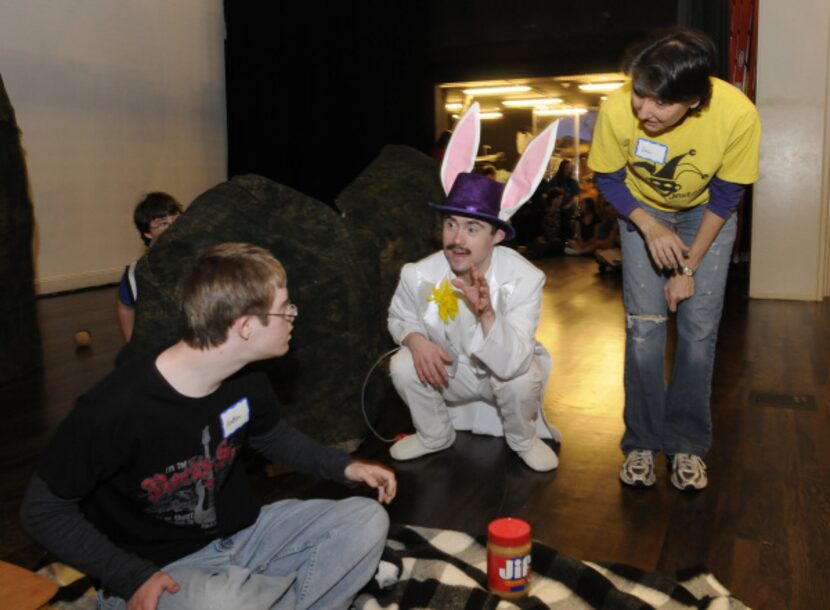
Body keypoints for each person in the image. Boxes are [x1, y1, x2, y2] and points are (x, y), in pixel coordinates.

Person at [21, 243, 397, 610]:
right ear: (246, 327)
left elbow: (273, 435)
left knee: (365, 520)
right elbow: (41, 510)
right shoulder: (113, 409)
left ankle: (268, 592)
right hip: (160, 567)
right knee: (222, 601)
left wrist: (343, 466)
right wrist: (129, 576)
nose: (294, 317)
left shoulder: (248, 379)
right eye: (285, 308)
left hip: (242, 537)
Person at [587, 27, 761, 491]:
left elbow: (726, 196)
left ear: (694, 102)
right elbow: (606, 177)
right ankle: (642, 442)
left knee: (698, 331)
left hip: (707, 216)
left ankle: (686, 444)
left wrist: (687, 268)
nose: (645, 112)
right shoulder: (616, 107)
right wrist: (648, 224)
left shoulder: (736, 114)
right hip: (641, 210)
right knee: (644, 326)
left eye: (661, 104)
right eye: (641, 94)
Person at [387, 103, 560, 473]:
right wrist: (416, 341)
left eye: (472, 229)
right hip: (450, 372)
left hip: (502, 373)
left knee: (520, 377)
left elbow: (513, 360)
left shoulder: (525, 278)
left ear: (497, 235)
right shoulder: (418, 273)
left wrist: (486, 314)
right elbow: (399, 316)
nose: (456, 239)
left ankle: (523, 439)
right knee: (401, 364)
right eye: (450, 224)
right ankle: (435, 434)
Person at [116, 192, 183, 341]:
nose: (175, 227)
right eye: (163, 223)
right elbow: (125, 307)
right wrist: (130, 343)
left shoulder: (203, 260)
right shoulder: (136, 273)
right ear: (147, 233)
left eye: (178, 219)